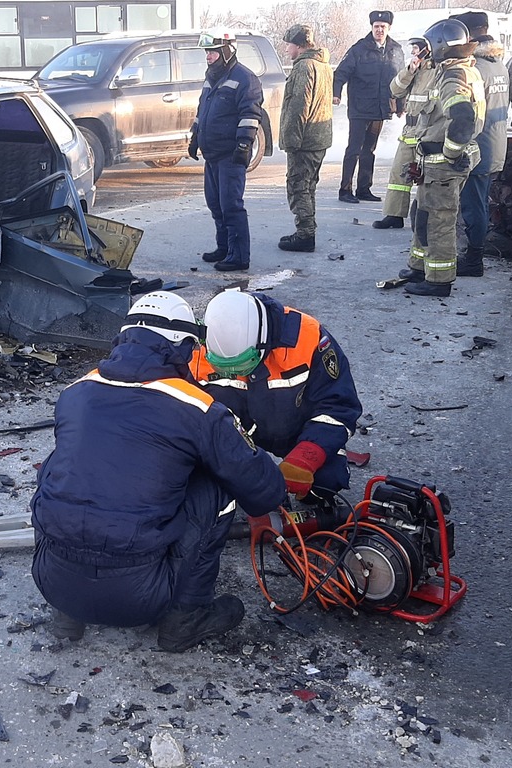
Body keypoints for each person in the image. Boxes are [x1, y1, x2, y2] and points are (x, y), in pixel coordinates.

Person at [30, 291, 287, 652]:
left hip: (50, 581)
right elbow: (264, 491)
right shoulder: (197, 407)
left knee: (63, 469)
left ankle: (69, 613)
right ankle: (186, 617)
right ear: (184, 347)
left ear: (123, 338)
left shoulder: (76, 391)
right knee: (218, 485)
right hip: (140, 598)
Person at [191, 289, 362, 508]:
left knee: (326, 483)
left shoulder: (308, 338)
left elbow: (339, 405)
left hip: (295, 431)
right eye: (226, 368)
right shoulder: (197, 348)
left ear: (261, 343)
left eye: (242, 364)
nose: (236, 371)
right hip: (233, 438)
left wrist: (307, 456)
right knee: (198, 488)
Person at [399, 18, 485, 298]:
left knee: (439, 222)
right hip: (434, 163)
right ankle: (420, 267)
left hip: (443, 165)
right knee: (422, 215)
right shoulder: (462, 71)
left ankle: (438, 280)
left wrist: (449, 153)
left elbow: (462, 118)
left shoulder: (454, 77)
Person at [189, 31, 265, 273]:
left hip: (230, 155)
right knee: (216, 204)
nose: (208, 57)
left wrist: (244, 145)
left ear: (226, 51)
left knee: (231, 205)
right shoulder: (212, 77)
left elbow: (251, 114)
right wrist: (195, 136)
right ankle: (224, 248)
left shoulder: (245, 78)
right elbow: (203, 110)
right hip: (211, 154)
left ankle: (239, 256)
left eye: (212, 52)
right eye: (207, 52)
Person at [452, 11, 509, 277]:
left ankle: (474, 260)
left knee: (473, 206)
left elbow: (471, 115)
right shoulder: (498, 64)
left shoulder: (477, 68)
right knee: (481, 203)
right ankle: (475, 254)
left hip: (478, 149)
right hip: (494, 145)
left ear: (471, 33)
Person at [332, 10, 404, 205]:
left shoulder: (395, 50)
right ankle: (345, 189)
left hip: (380, 109)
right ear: (371, 27)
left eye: (383, 27)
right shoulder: (358, 49)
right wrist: (336, 93)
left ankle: (364, 189)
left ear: (389, 28)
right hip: (359, 108)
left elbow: (401, 80)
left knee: (369, 150)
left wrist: (400, 105)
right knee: (354, 149)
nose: (379, 30)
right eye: (376, 26)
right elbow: (340, 73)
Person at [277, 23, 335, 253]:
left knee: (298, 186)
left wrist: (291, 141)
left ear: (300, 46)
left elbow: (298, 108)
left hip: (305, 140)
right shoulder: (323, 65)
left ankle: (305, 234)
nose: (287, 50)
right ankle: (306, 229)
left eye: (289, 45)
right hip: (318, 139)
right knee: (308, 186)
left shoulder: (304, 67)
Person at [372, 36, 433, 230]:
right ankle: (394, 215)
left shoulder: (437, 72)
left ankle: (426, 220)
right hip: (410, 130)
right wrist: (409, 71)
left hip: (428, 130)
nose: (414, 52)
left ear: (428, 50)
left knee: (428, 178)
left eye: (417, 49)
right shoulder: (414, 70)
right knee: (399, 173)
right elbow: (395, 89)